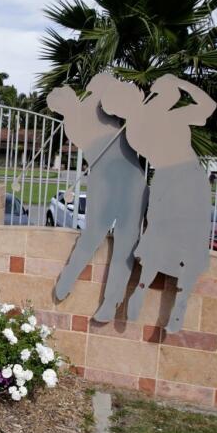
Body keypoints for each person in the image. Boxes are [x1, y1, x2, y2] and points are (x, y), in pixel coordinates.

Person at [97, 74, 217, 331]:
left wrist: (172, 87)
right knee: (164, 237)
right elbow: (204, 106)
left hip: (181, 179)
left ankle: (173, 302)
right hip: (179, 178)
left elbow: (200, 106)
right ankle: (155, 295)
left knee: (180, 238)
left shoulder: (145, 119)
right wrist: (176, 83)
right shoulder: (141, 123)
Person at [48, 73, 150, 322]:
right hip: (105, 179)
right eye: (60, 104)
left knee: (126, 243)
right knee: (93, 234)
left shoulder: (95, 99)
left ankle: (111, 303)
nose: (66, 101)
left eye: (64, 95)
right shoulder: (74, 122)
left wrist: (111, 91)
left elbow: (112, 89)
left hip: (133, 179)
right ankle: (68, 280)